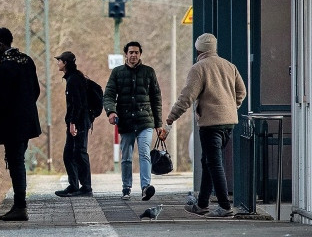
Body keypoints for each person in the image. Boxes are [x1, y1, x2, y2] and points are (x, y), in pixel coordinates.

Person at [166, 33, 247, 219]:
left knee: (215, 164)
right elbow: (241, 91)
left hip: (211, 124)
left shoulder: (199, 68)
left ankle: (225, 206)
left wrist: (171, 118)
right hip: (228, 123)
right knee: (208, 161)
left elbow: (187, 97)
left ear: (198, 49)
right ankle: (202, 204)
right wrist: (232, 108)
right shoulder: (229, 66)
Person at [0, 27, 42, 221]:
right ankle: (19, 205)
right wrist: (25, 108)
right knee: (17, 160)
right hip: (26, 122)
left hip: (12, 125)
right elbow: (35, 91)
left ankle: (20, 207)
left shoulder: (6, 67)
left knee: (16, 163)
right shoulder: (27, 61)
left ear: (1, 44)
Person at [103, 41, 166, 201]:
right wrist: (111, 111)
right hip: (125, 121)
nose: (133, 55)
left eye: (136, 52)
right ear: (126, 54)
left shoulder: (149, 72)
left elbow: (156, 99)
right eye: (131, 52)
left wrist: (159, 124)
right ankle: (126, 187)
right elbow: (109, 95)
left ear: (140, 54)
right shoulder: (117, 73)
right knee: (126, 157)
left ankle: (146, 187)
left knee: (144, 153)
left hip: (145, 121)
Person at [53, 51, 93, 197]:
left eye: (59, 60)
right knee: (69, 153)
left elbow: (78, 104)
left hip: (79, 122)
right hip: (78, 121)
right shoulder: (73, 78)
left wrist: (73, 123)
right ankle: (74, 185)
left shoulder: (74, 80)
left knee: (79, 153)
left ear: (66, 63)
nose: (58, 63)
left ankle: (86, 187)